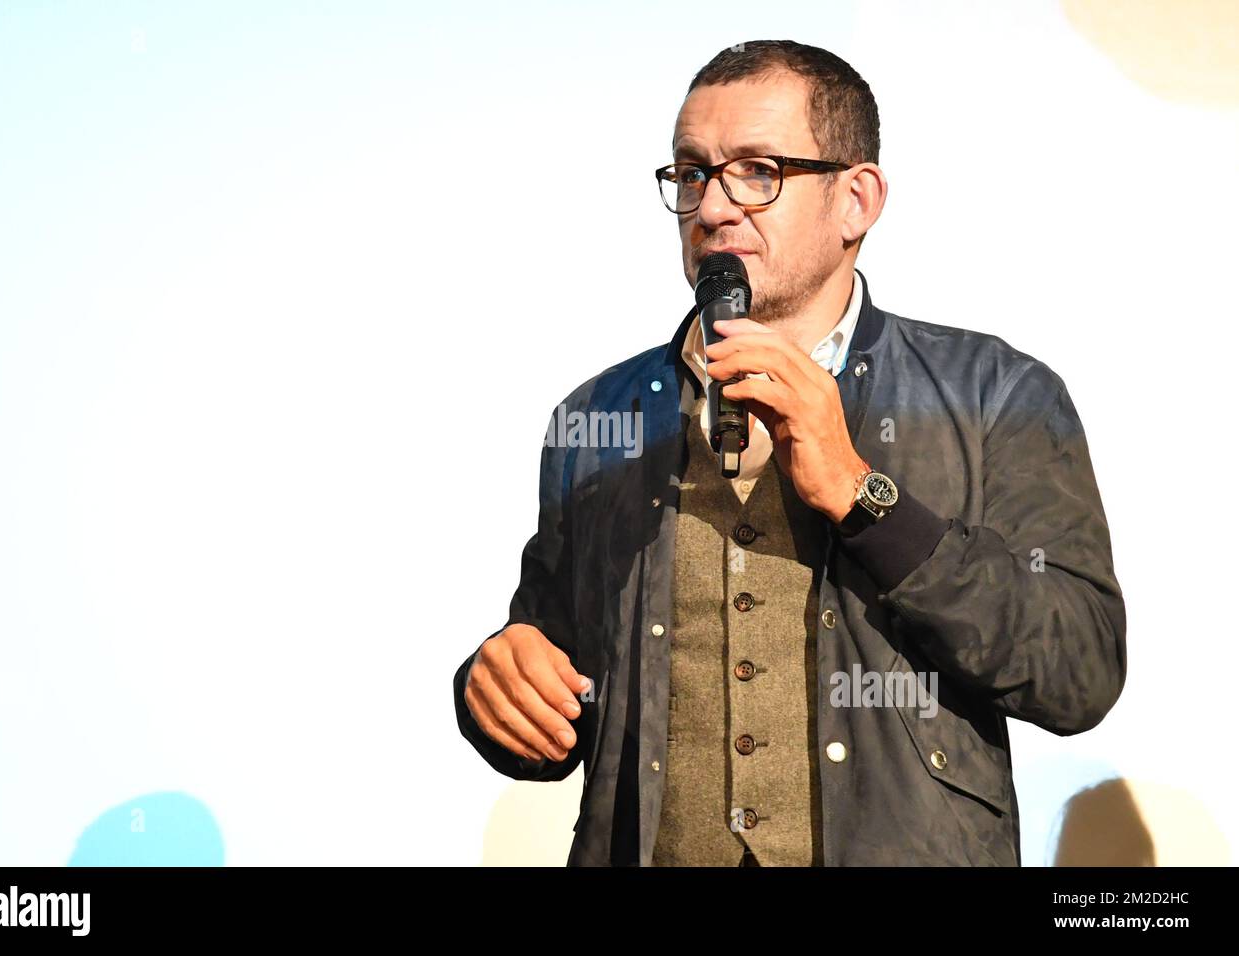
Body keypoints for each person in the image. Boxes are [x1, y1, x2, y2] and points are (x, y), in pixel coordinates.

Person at [452, 39, 1126, 866]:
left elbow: (1080, 668)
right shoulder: (599, 417)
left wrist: (860, 493)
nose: (713, 208)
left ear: (857, 200)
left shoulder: (998, 395)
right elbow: (560, 689)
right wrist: (495, 693)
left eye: (758, 172)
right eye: (692, 172)